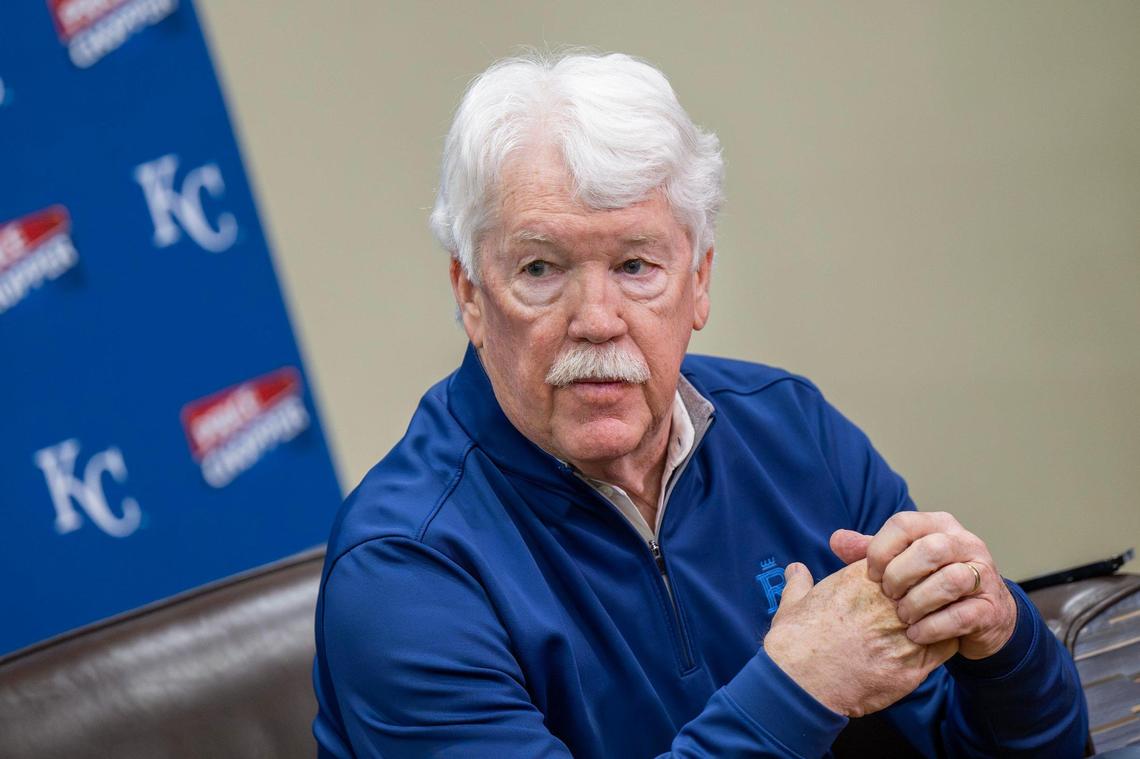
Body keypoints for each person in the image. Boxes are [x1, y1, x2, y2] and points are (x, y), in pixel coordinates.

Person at [312, 52, 1087, 758]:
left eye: (636, 264)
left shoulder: (792, 430)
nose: (597, 318)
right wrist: (799, 689)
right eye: (542, 268)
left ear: (700, 280)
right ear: (471, 295)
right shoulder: (402, 567)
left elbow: (1023, 748)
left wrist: (1003, 638)